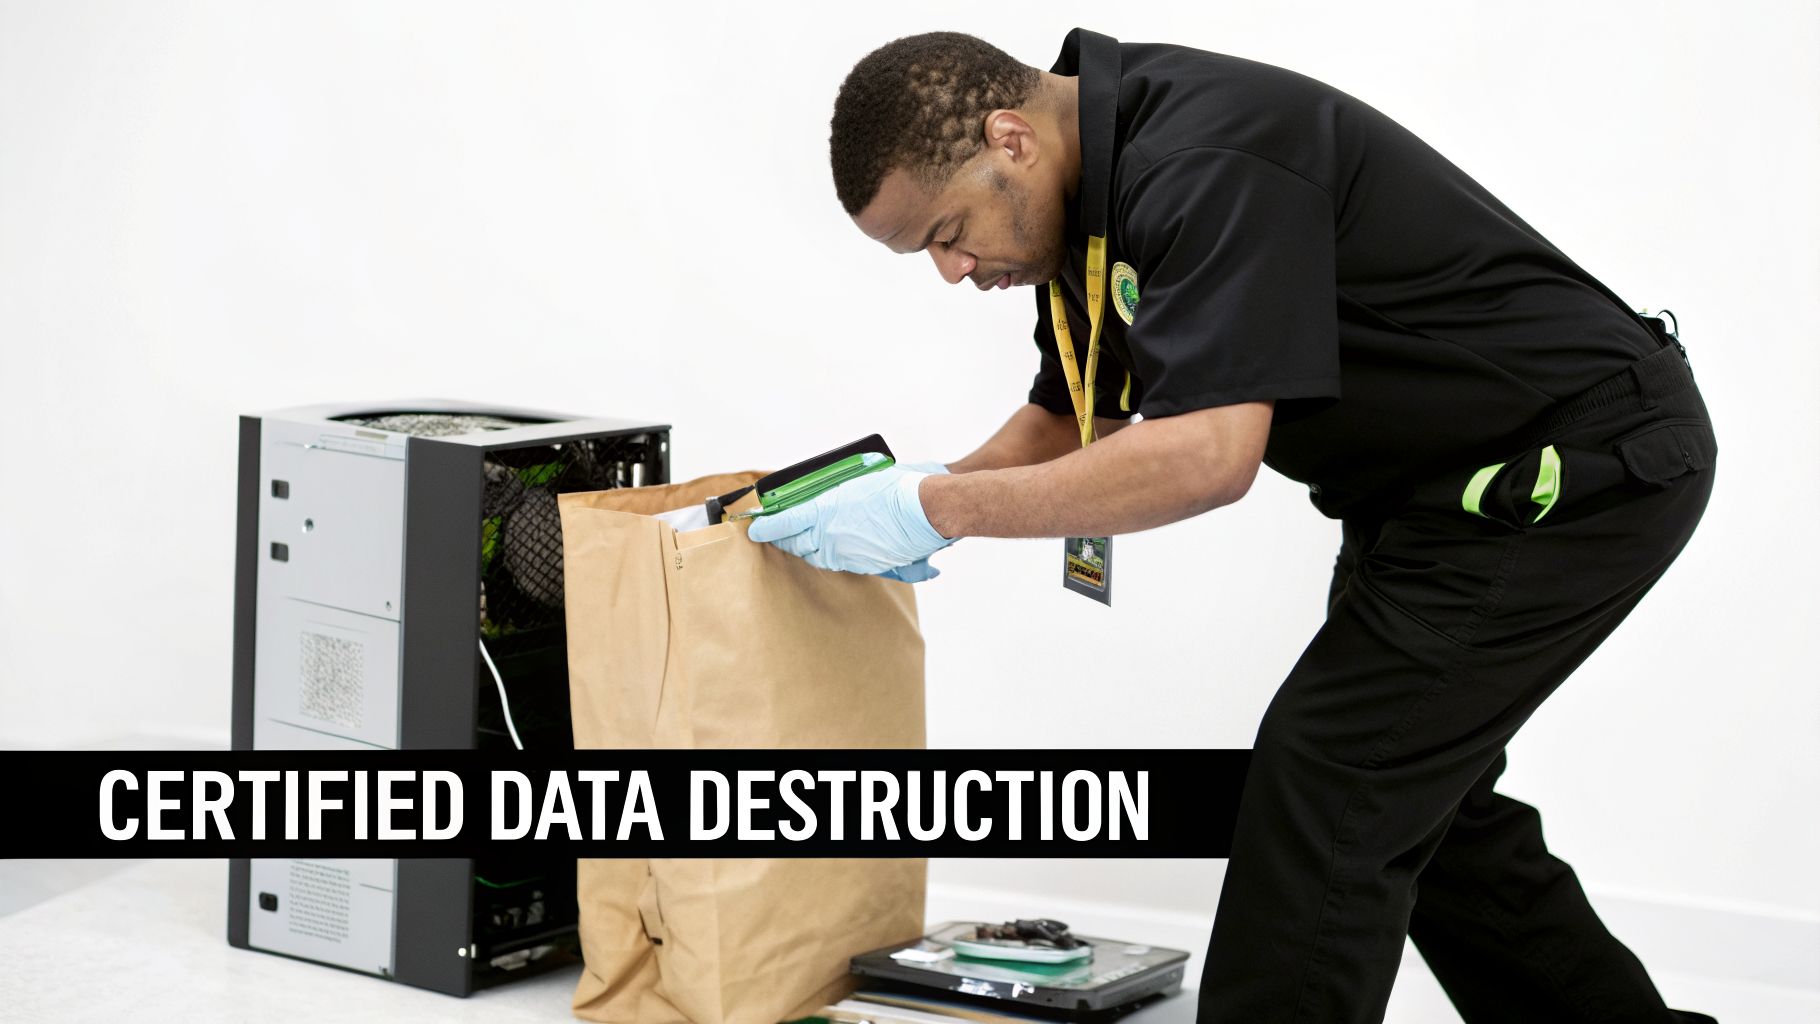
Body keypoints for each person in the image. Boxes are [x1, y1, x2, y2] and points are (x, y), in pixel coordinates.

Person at [749, 28, 1718, 1024]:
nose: (951, 271)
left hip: (1568, 465)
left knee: (1329, 782)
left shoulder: (1201, 161)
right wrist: (917, 492)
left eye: (946, 233)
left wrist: (934, 509)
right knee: (1428, 815)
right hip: (1432, 498)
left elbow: (1208, 455)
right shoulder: (1086, 197)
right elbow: (1073, 416)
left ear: (1011, 140)